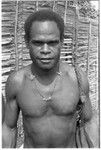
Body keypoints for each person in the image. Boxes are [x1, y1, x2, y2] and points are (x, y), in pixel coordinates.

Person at [2, 9, 93, 148]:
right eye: (38, 43)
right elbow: (9, 128)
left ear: (61, 41)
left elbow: (89, 121)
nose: (45, 50)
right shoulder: (17, 81)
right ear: (27, 42)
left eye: (52, 42)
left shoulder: (76, 78)